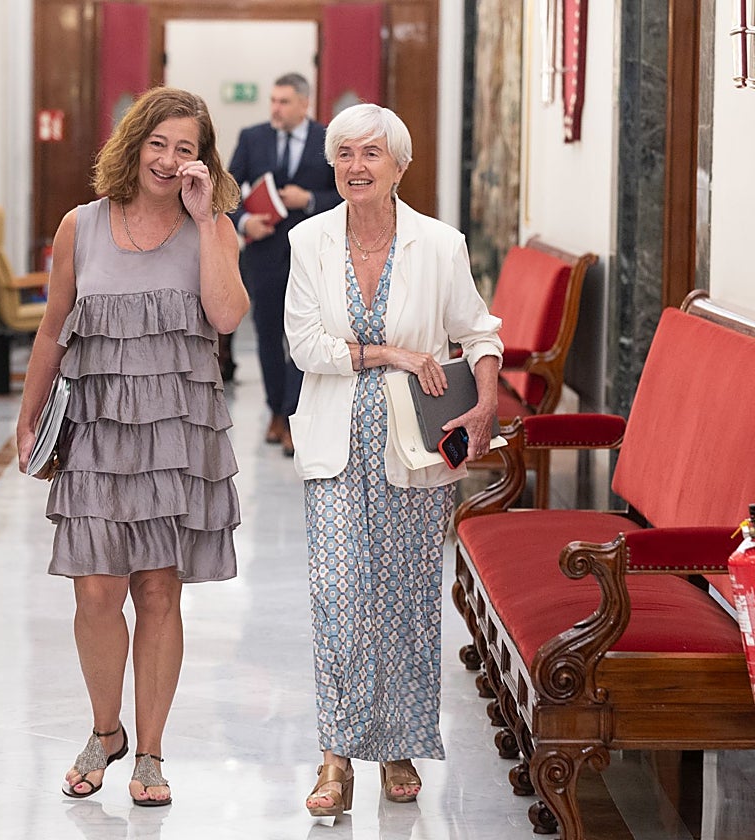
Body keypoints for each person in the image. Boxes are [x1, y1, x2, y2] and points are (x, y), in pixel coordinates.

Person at [15, 86, 248, 807]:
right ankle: (104, 730)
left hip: (177, 434)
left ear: (202, 162)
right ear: (133, 143)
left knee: (157, 589)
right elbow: (53, 329)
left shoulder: (213, 229)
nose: (171, 159)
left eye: (187, 149)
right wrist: (28, 420)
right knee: (94, 590)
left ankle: (148, 752)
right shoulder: (80, 226)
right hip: (96, 428)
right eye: (160, 143)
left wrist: (208, 222)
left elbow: (227, 316)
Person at [283, 103, 502, 815]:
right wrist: (393, 354)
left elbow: (479, 332)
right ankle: (336, 757)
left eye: (371, 153)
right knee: (339, 596)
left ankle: (401, 744)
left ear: (400, 166)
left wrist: (487, 403)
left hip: (416, 446)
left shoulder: (440, 245)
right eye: (344, 153)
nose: (355, 166)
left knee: (406, 599)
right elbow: (306, 346)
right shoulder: (308, 241)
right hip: (334, 442)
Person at [227, 72, 342, 456]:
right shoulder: (252, 137)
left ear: (305, 103)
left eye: (284, 102)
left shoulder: (327, 139)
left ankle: (295, 416)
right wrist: (245, 222)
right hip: (264, 256)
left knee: (304, 339)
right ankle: (275, 410)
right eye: (273, 101)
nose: (276, 108)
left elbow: (346, 197)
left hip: (314, 258)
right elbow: (226, 193)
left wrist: (308, 200)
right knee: (268, 337)